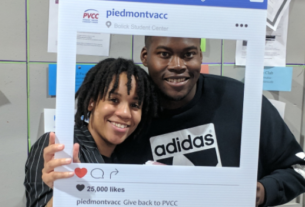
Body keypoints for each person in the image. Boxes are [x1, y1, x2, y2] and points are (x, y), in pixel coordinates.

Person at [115, 36, 305, 207]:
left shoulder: (242, 101)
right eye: (164, 54)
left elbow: (299, 169)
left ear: (200, 56)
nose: (177, 65)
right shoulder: (125, 114)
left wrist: (262, 192)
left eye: (189, 54)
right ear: (145, 56)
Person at [24, 58, 157, 207]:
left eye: (134, 105)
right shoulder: (61, 147)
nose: (125, 113)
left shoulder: (135, 156)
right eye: (114, 100)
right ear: (91, 103)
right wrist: (67, 191)